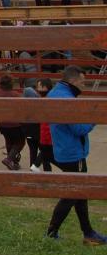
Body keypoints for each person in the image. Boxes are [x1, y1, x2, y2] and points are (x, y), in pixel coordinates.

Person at [45, 66, 107, 244]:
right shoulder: (66, 99)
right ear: (72, 81)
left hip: (64, 149)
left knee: (79, 193)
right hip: (73, 153)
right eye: (82, 82)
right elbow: (79, 129)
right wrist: (95, 118)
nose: (83, 85)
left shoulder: (55, 93)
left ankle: (87, 232)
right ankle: (51, 233)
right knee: (72, 194)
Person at [0, 75, 25, 171]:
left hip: (2, 123)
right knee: (20, 142)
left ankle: (13, 162)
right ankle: (9, 159)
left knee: (9, 141)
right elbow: (22, 108)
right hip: (15, 123)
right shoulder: (16, 95)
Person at [35, 78, 56, 172]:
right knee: (45, 153)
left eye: (41, 86)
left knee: (45, 152)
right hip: (43, 132)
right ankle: (37, 166)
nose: (39, 89)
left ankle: (36, 165)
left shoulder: (50, 99)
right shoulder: (40, 99)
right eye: (38, 87)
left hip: (47, 132)